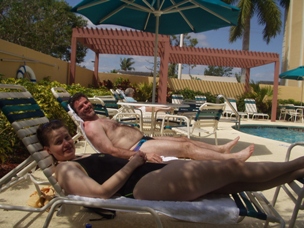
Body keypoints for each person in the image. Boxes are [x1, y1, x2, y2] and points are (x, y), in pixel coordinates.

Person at [37, 120, 304, 201]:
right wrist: (134, 163)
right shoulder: (65, 170)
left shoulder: (79, 156)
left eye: (66, 137)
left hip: (153, 173)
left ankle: (296, 171)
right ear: (47, 150)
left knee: (237, 181)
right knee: (233, 168)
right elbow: (101, 192)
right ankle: (299, 163)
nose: (66, 143)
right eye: (58, 142)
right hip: (141, 184)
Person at [68, 93, 253, 163]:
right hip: (138, 149)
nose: (86, 106)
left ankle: (220, 149)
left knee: (184, 140)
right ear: (77, 112)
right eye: (81, 107)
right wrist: (143, 155)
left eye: (86, 102)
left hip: (144, 140)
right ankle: (233, 159)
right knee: (185, 149)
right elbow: (110, 151)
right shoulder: (91, 127)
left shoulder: (97, 118)